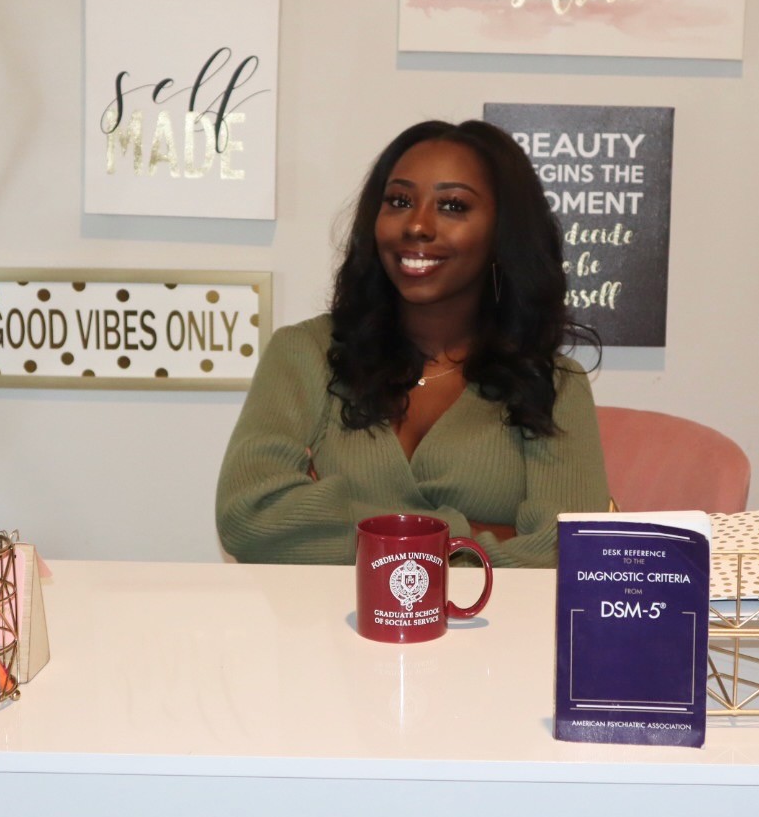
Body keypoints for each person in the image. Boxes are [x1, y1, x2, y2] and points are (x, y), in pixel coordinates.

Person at [216, 119, 610, 567]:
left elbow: (568, 556)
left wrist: (339, 522)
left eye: (453, 206)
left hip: (490, 618)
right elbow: (249, 517)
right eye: (399, 201)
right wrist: (470, 537)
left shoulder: (554, 386)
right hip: (327, 615)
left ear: (503, 233)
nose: (418, 225)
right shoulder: (304, 353)